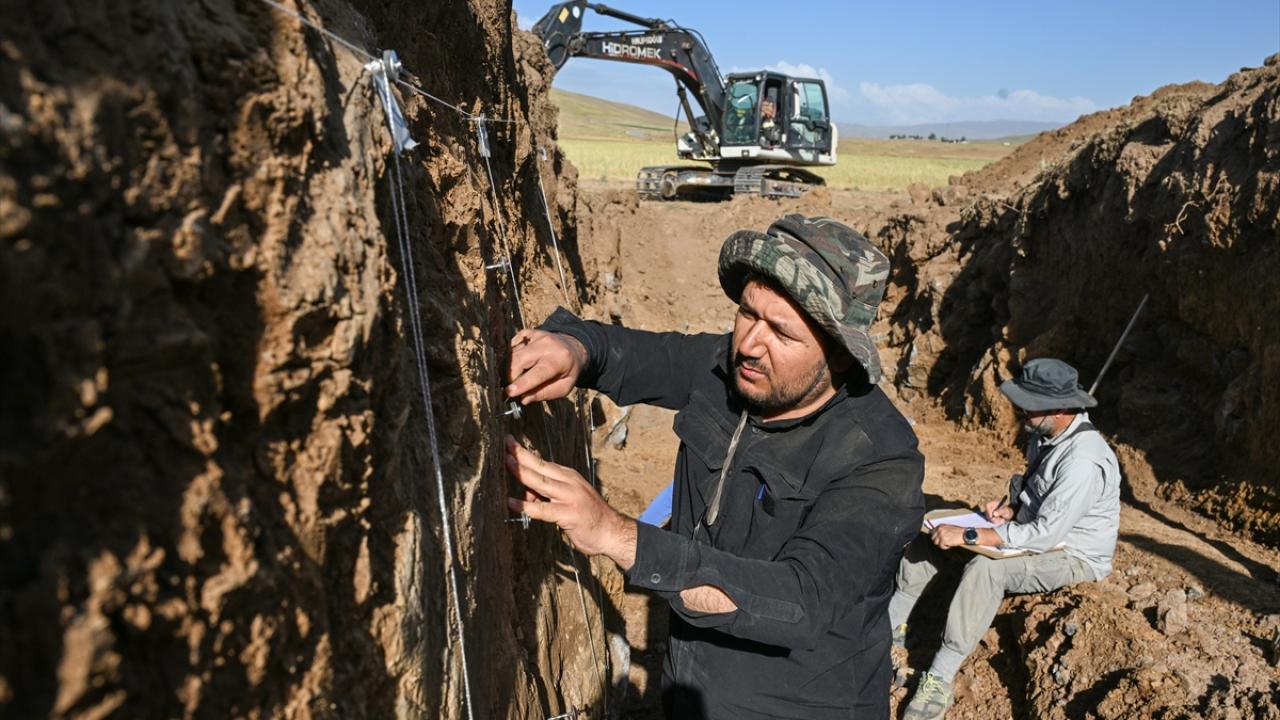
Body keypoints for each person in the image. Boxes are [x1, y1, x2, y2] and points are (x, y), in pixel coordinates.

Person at [504, 214, 924, 719]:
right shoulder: (737, 371)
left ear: (838, 356)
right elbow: (645, 356)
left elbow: (796, 601)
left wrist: (615, 533)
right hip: (690, 691)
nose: (749, 343)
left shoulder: (880, 459)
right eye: (748, 313)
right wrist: (575, 348)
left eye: (782, 334)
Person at [892, 358, 1121, 720]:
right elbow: (1038, 499)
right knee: (931, 536)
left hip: (1073, 553)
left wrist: (971, 533)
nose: (1018, 410)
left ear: (1058, 408)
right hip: (1037, 533)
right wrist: (1010, 510)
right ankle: (890, 629)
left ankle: (939, 677)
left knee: (986, 570)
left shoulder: (1083, 461)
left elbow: (1046, 534)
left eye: (1027, 405)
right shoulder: (1046, 432)